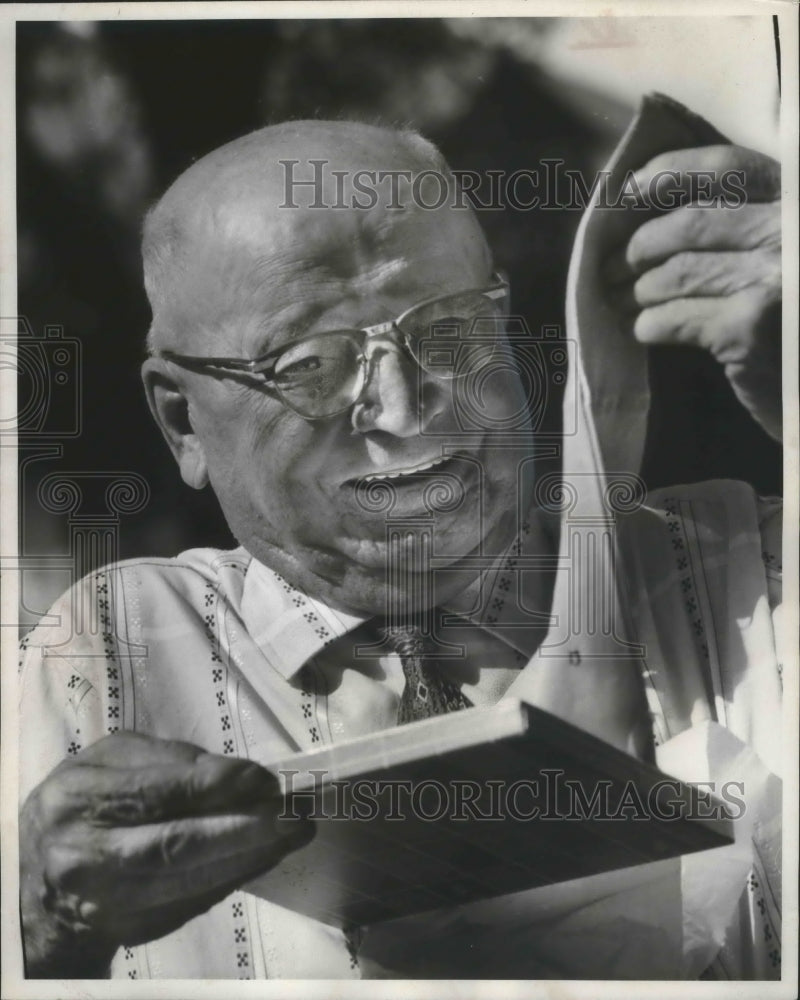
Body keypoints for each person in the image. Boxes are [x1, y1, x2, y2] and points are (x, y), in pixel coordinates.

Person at [18, 106, 784, 980]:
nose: (404, 405)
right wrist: (39, 932)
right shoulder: (106, 660)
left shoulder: (750, 576)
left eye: (450, 330)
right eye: (309, 362)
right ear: (182, 421)